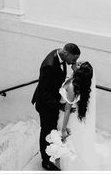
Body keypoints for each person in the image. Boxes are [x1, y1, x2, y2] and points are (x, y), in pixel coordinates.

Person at [31, 43, 81, 171]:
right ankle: (46, 161)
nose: (74, 62)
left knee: (53, 130)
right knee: (46, 131)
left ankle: (52, 153)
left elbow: (58, 80)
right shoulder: (49, 65)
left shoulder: (61, 56)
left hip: (52, 101)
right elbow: (44, 93)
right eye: (74, 59)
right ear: (66, 54)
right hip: (46, 105)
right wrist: (60, 106)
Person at [57, 61, 98, 170]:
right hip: (67, 114)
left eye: (79, 64)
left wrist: (63, 129)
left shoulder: (72, 86)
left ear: (80, 72)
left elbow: (67, 109)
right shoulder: (75, 79)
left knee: (67, 144)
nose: (77, 62)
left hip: (66, 117)